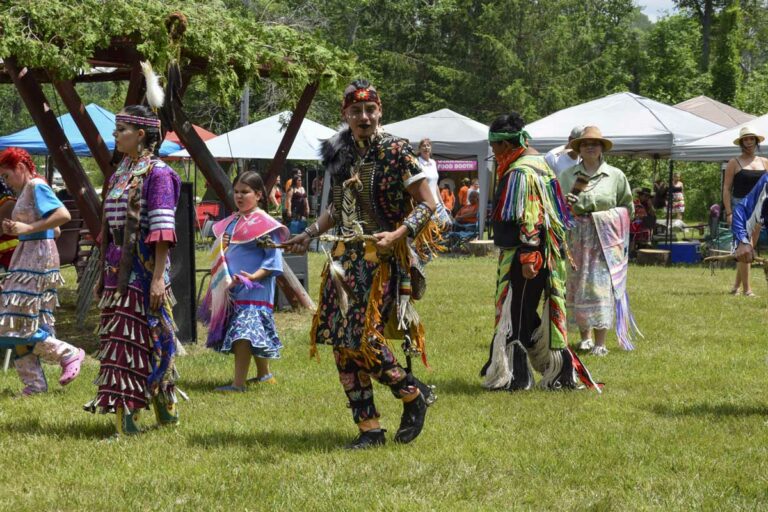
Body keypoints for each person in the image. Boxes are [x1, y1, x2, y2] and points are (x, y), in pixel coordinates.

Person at [284, 79, 439, 449]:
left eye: (370, 110)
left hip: (382, 257)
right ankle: (369, 428)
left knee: (365, 338)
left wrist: (399, 233)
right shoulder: (341, 153)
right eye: (356, 111)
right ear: (346, 115)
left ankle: (411, 394)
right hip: (343, 258)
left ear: (380, 111)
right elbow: (338, 210)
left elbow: (428, 203)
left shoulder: (396, 150)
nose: (364, 117)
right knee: (340, 341)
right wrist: (307, 233)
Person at [480, 113, 599, 392]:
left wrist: (529, 253)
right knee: (524, 309)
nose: (494, 154)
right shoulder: (540, 165)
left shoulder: (522, 171)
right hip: (542, 252)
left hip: (527, 255)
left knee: (516, 312)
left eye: (495, 148)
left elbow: (531, 213)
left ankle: (516, 376)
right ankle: (552, 368)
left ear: (507, 145)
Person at [83, 105, 183, 435]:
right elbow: (108, 231)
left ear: (141, 134)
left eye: (121, 129)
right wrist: (101, 277)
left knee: (150, 341)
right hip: (116, 274)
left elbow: (163, 231)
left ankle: (152, 415)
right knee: (122, 344)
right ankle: (134, 418)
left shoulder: (158, 174)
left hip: (143, 272)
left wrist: (157, 280)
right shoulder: (119, 173)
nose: (115, 135)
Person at [0, 147, 84, 396]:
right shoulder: (28, 190)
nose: (5, 182)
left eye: (6, 175)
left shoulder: (37, 186)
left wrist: (28, 227)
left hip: (36, 259)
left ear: (21, 168)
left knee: (16, 320)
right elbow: (55, 230)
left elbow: (63, 215)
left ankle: (68, 353)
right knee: (18, 320)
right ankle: (33, 385)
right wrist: (23, 228)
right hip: (28, 254)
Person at [200, 171, 288, 392]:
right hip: (233, 289)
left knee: (243, 334)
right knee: (252, 332)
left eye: (245, 192)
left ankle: (238, 384)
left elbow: (273, 261)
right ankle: (264, 374)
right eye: (236, 191)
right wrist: (223, 245)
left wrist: (253, 277)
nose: (239, 196)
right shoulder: (231, 221)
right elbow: (221, 252)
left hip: (254, 289)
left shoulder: (266, 225)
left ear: (258, 195)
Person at [559, 125, 639, 357]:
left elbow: (628, 208)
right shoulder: (566, 176)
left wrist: (604, 218)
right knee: (578, 285)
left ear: (602, 148)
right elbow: (557, 208)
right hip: (576, 238)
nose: (590, 147)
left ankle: (600, 341)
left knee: (600, 287)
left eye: (595, 143)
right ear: (579, 149)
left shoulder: (616, 176)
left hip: (605, 239)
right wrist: (566, 204)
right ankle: (584, 338)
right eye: (585, 144)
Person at [723, 126, 768, 297]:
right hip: (740, 209)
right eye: (745, 139)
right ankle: (747, 290)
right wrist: (729, 212)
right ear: (741, 143)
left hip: (759, 210)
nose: (749, 142)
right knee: (746, 246)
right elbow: (726, 189)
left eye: (751, 139)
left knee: (747, 249)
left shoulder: (764, 162)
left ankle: (736, 286)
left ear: (756, 141)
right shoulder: (734, 162)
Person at [417, 138, 451, 230]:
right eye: (423, 146)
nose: (426, 148)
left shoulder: (433, 162)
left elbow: (435, 185)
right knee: (432, 230)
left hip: (437, 203)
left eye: (428, 145)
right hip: (426, 203)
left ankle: (442, 244)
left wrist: (442, 204)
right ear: (419, 149)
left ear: (431, 148)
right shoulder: (417, 162)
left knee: (447, 225)